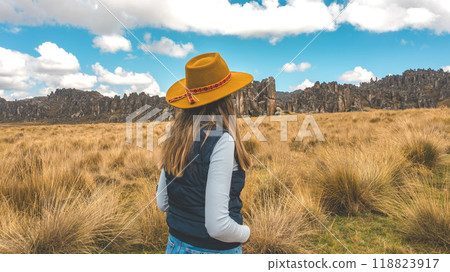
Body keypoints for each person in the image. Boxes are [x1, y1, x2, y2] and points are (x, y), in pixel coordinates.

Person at [156, 52, 253, 254]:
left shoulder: (174, 137)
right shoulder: (223, 140)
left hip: (175, 246)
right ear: (226, 99)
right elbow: (218, 227)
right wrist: (246, 233)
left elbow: (162, 203)